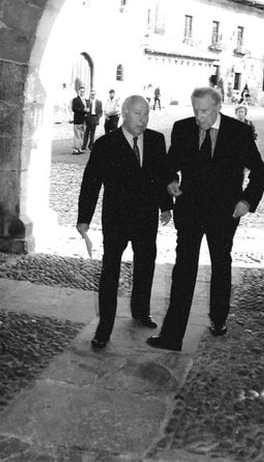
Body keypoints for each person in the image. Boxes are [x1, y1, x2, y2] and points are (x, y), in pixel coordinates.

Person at [146, 87, 264, 352]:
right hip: (190, 211)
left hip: (224, 214)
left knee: (221, 265)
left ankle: (219, 318)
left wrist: (246, 201)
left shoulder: (239, 132)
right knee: (183, 270)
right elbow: (168, 166)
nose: (198, 117)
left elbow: (260, 173)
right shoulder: (182, 129)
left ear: (217, 107)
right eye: (195, 110)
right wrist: (171, 181)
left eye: (204, 111)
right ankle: (172, 335)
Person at [77, 95, 173, 349]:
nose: (143, 119)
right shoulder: (106, 144)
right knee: (110, 271)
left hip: (146, 218)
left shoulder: (155, 140)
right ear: (125, 113)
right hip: (117, 219)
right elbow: (91, 183)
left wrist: (166, 206)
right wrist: (83, 219)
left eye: (146, 114)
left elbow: (161, 174)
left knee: (145, 265)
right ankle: (104, 327)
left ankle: (141, 311)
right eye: (138, 114)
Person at [71, 85, 88, 155]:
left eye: (83, 91)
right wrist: (83, 110)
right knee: (77, 134)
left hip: (84, 120)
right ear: (78, 92)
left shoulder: (86, 100)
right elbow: (74, 109)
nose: (82, 93)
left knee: (82, 134)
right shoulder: (75, 100)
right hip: (78, 119)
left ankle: (80, 148)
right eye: (81, 91)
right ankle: (75, 149)